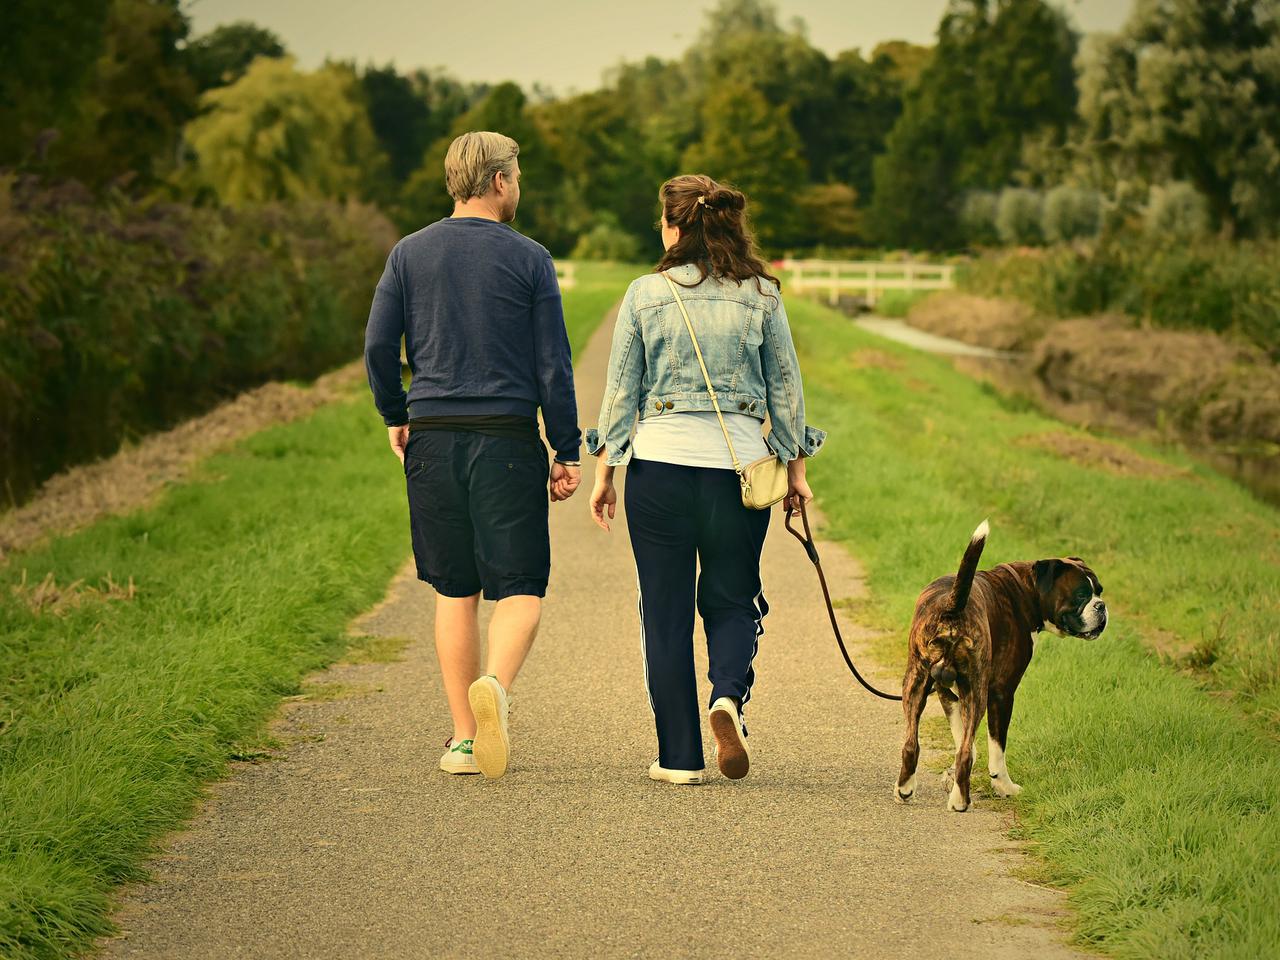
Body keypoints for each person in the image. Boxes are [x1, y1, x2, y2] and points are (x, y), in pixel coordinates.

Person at [586, 174, 825, 785]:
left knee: (663, 612)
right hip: (739, 474)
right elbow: (787, 392)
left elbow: (621, 393)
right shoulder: (763, 296)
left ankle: (678, 758)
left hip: (659, 471)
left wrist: (605, 473)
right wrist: (795, 473)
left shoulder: (644, 294)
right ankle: (727, 697)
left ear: (675, 226)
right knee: (733, 597)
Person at [364, 131, 582, 780]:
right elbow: (553, 364)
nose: (518, 188)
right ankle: (495, 684)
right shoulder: (530, 259)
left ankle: (463, 737)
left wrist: (395, 414)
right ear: (497, 182)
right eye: (516, 177)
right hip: (505, 440)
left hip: (431, 436)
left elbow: (379, 347)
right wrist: (565, 448)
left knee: (455, 591)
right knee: (519, 589)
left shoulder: (408, 254)